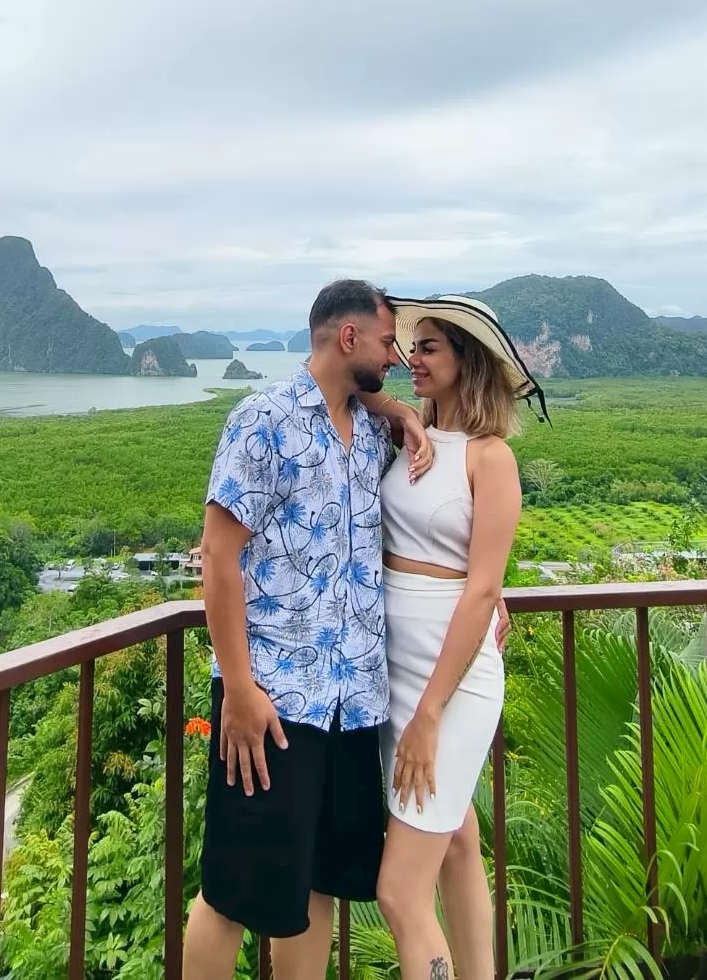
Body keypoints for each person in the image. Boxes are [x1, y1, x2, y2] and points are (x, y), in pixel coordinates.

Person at [183, 280, 435, 980]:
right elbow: (219, 557)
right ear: (348, 337)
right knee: (232, 892)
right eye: (388, 341)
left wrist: (397, 411)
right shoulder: (263, 419)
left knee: (318, 882)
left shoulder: (364, 433)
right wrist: (238, 688)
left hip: (352, 701)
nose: (395, 356)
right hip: (274, 702)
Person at [374, 295, 540, 980]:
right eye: (414, 346)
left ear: (466, 364)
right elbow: (340, 393)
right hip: (395, 666)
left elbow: (480, 586)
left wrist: (430, 712)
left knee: (398, 893)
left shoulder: (490, 456)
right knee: (456, 839)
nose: (414, 357)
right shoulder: (409, 433)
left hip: (450, 681)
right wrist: (401, 412)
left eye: (431, 347)